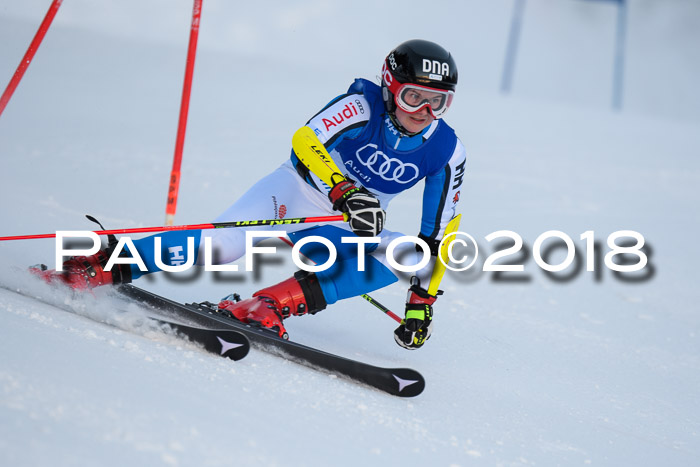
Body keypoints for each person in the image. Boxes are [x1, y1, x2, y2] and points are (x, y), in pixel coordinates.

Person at [38, 39, 467, 350]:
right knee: (222, 248)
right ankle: (99, 264)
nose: (424, 113)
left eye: (438, 102)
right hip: (296, 192)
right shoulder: (361, 106)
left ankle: (265, 306)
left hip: (344, 224)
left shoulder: (446, 150)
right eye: (414, 98)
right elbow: (305, 140)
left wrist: (420, 304)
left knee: (411, 256)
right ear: (391, 87)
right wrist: (343, 190)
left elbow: (440, 236)